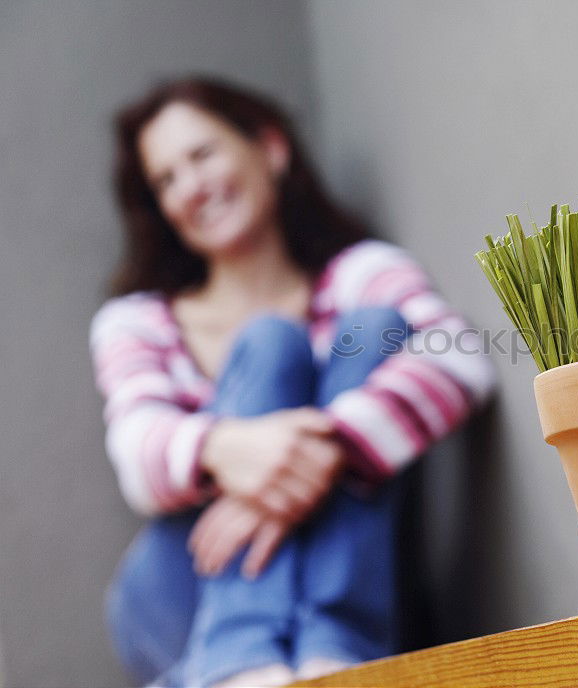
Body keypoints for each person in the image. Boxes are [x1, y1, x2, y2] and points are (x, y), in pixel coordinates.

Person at [89, 76, 494, 687]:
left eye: (201, 155)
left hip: (348, 592)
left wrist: (323, 448)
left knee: (378, 329)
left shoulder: (360, 276)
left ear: (271, 149)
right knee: (270, 343)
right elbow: (138, 454)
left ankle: (328, 654)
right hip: (186, 594)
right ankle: (240, 657)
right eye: (166, 180)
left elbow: (461, 358)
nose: (191, 187)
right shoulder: (138, 321)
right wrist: (232, 451)